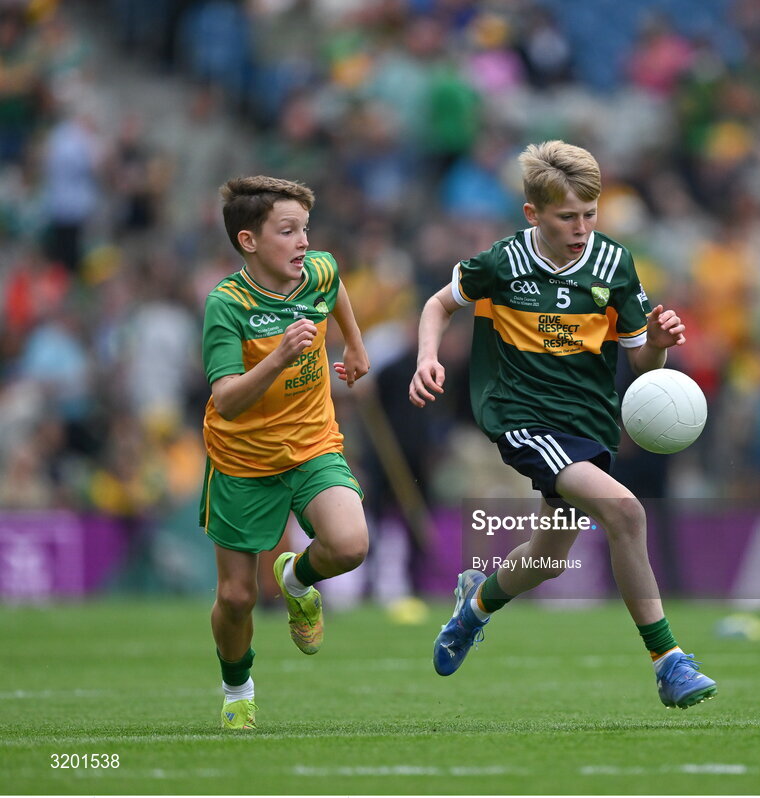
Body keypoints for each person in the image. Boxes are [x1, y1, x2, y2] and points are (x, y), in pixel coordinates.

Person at [409, 140, 717, 709]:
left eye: (590, 214)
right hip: (521, 417)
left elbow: (641, 362)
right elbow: (437, 304)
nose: (581, 228)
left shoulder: (614, 265)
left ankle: (475, 605)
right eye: (567, 217)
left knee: (549, 556)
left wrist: (660, 342)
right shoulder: (502, 262)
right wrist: (429, 356)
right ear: (534, 214)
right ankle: (668, 661)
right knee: (626, 510)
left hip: (589, 424)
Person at [200, 176, 370, 729]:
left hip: (312, 442)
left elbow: (335, 282)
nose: (303, 243)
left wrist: (353, 341)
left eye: (305, 230)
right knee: (236, 598)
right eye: (288, 231)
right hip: (243, 461)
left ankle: (296, 579)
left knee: (349, 545)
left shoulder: (316, 270)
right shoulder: (227, 304)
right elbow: (225, 399)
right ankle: (237, 690)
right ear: (249, 241)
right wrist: (276, 358)